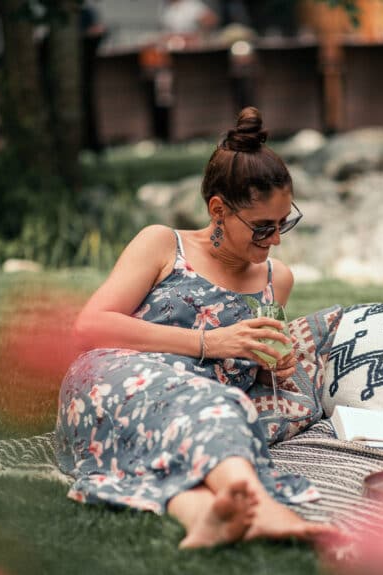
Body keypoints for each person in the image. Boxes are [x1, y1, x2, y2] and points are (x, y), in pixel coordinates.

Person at [55, 107, 332, 548]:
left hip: (198, 402)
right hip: (119, 380)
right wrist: (211, 342)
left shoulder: (277, 278)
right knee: (206, 402)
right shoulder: (163, 244)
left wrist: (270, 367)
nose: (276, 239)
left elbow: (253, 366)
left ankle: (202, 511)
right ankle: (263, 505)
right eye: (263, 227)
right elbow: (89, 326)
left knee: (219, 404)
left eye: (284, 224)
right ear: (218, 209)